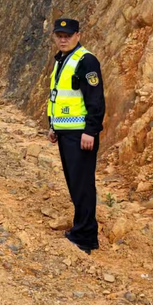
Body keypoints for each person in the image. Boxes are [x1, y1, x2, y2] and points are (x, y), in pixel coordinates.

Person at [46, 17, 105, 253]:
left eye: (68, 35)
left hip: (81, 135)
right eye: (59, 36)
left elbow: (95, 99)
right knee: (75, 184)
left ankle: (86, 237)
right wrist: (54, 126)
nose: (63, 39)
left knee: (82, 185)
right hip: (66, 133)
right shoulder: (63, 60)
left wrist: (90, 130)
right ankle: (81, 229)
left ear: (78, 35)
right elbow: (59, 97)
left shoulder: (86, 61)